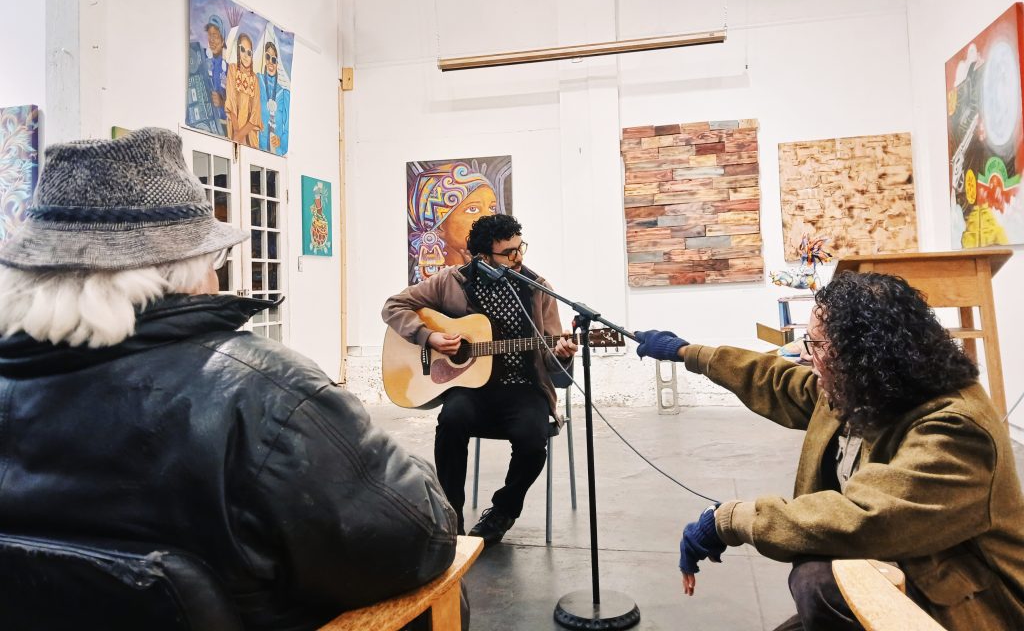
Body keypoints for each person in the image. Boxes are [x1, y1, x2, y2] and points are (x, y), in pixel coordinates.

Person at [0, 128, 457, 630]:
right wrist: (393, 459)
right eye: (215, 259)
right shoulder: (261, 393)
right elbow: (418, 538)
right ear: (185, 269)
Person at [634, 271, 1024, 631]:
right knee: (820, 579)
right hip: (902, 567)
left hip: (969, 603)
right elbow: (776, 381)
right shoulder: (865, 388)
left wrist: (728, 520)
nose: (806, 355)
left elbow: (865, 518)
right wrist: (687, 352)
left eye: (817, 344)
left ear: (867, 352)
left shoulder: (955, 428)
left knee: (819, 579)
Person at [383, 213, 578, 545]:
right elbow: (394, 306)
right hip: (471, 388)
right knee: (451, 421)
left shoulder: (537, 288)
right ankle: (451, 516)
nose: (519, 258)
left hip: (523, 388)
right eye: (509, 253)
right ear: (483, 257)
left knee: (533, 441)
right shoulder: (451, 281)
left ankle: (502, 511)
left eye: (521, 248)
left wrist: (562, 353)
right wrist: (428, 337)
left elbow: (551, 354)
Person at [408, 163, 498, 283]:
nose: (489, 219)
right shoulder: (434, 287)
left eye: (492, 208)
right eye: (472, 209)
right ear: (439, 226)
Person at [226, 32, 263, 147]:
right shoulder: (232, 69)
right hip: (234, 128)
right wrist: (237, 133)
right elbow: (230, 102)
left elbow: (255, 114)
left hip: (249, 134)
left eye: (249, 52)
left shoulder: (255, 79)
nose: (246, 55)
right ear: (238, 51)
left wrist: (241, 134)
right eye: (242, 50)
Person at [257, 40, 290, 156]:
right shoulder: (257, 81)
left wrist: (281, 140)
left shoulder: (284, 93)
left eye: (274, 59)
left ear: (277, 63)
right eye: (268, 57)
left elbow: (288, 127)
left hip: (275, 155)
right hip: (255, 151)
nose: (270, 62)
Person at [205, 15, 229, 134]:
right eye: (210, 35)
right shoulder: (203, 60)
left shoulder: (229, 68)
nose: (212, 40)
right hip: (206, 125)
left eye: (215, 36)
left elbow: (237, 107)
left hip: (224, 127)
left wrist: (222, 102)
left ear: (222, 40)